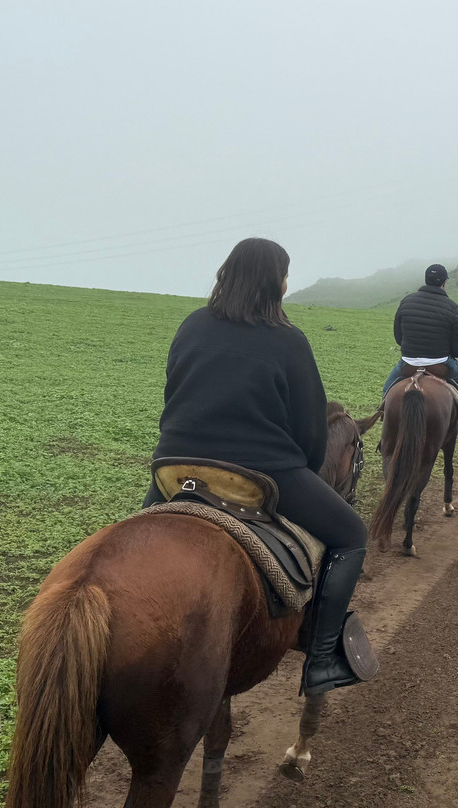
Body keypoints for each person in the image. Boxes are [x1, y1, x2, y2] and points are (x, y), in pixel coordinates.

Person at [142, 237, 372, 697]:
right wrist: (302, 468)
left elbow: (173, 395)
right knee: (352, 536)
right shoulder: (288, 340)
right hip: (260, 473)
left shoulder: (191, 324)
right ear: (277, 283)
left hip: (173, 469)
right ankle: (323, 660)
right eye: (286, 275)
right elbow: (310, 432)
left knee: (130, 537)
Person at [381, 264, 458, 460]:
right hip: (440, 363)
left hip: (408, 363)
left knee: (387, 392)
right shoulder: (452, 307)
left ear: (425, 280)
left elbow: (398, 336)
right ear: (444, 283)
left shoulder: (406, 301)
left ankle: (387, 431)